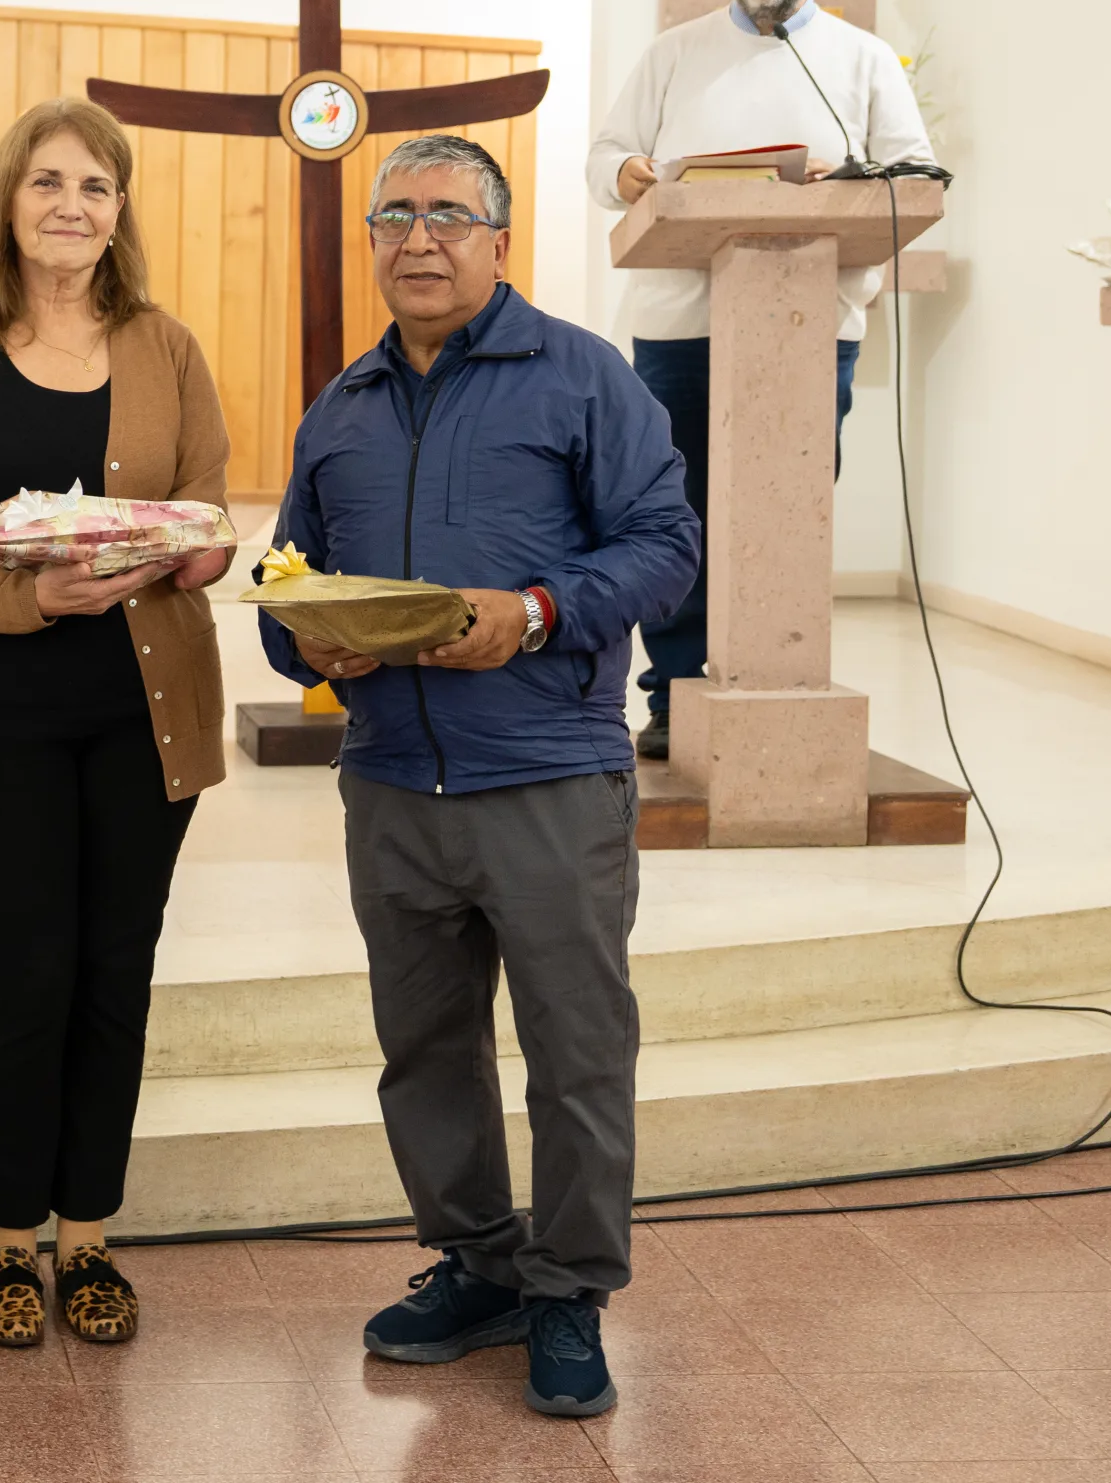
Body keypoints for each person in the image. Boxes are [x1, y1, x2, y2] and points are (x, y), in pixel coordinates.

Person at [260, 135, 698, 1418]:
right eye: (392, 217)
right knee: (424, 1049)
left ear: (498, 239)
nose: (418, 239)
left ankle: (567, 1292)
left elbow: (666, 546)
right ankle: (479, 1262)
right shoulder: (339, 406)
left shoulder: (583, 376)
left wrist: (541, 614)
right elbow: (288, 577)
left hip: (546, 773)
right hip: (393, 777)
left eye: (449, 214)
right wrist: (304, 641)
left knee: (574, 1052)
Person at [0, 99, 231, 1349]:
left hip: (146, 716)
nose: (71, 205)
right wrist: (29, 598)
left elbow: (205, 504)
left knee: (113, 976)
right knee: (26, 978)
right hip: (4, 710)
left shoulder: (166, 347)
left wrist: (196, 553)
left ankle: (88, 1236)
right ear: (9, 203)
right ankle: (2, 1243)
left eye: (95, 185)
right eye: (47, 183)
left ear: (119, 209)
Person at [588, 0, 933, 758]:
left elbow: (915, 176)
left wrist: (846, 186)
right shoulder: (675, 52)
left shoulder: (862, 60)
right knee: (678, 513)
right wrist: (637, 179)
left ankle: (781, 684)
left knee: (786, 508)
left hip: (812, 328)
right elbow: (607, 158)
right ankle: (673, 695)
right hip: (679, 326)